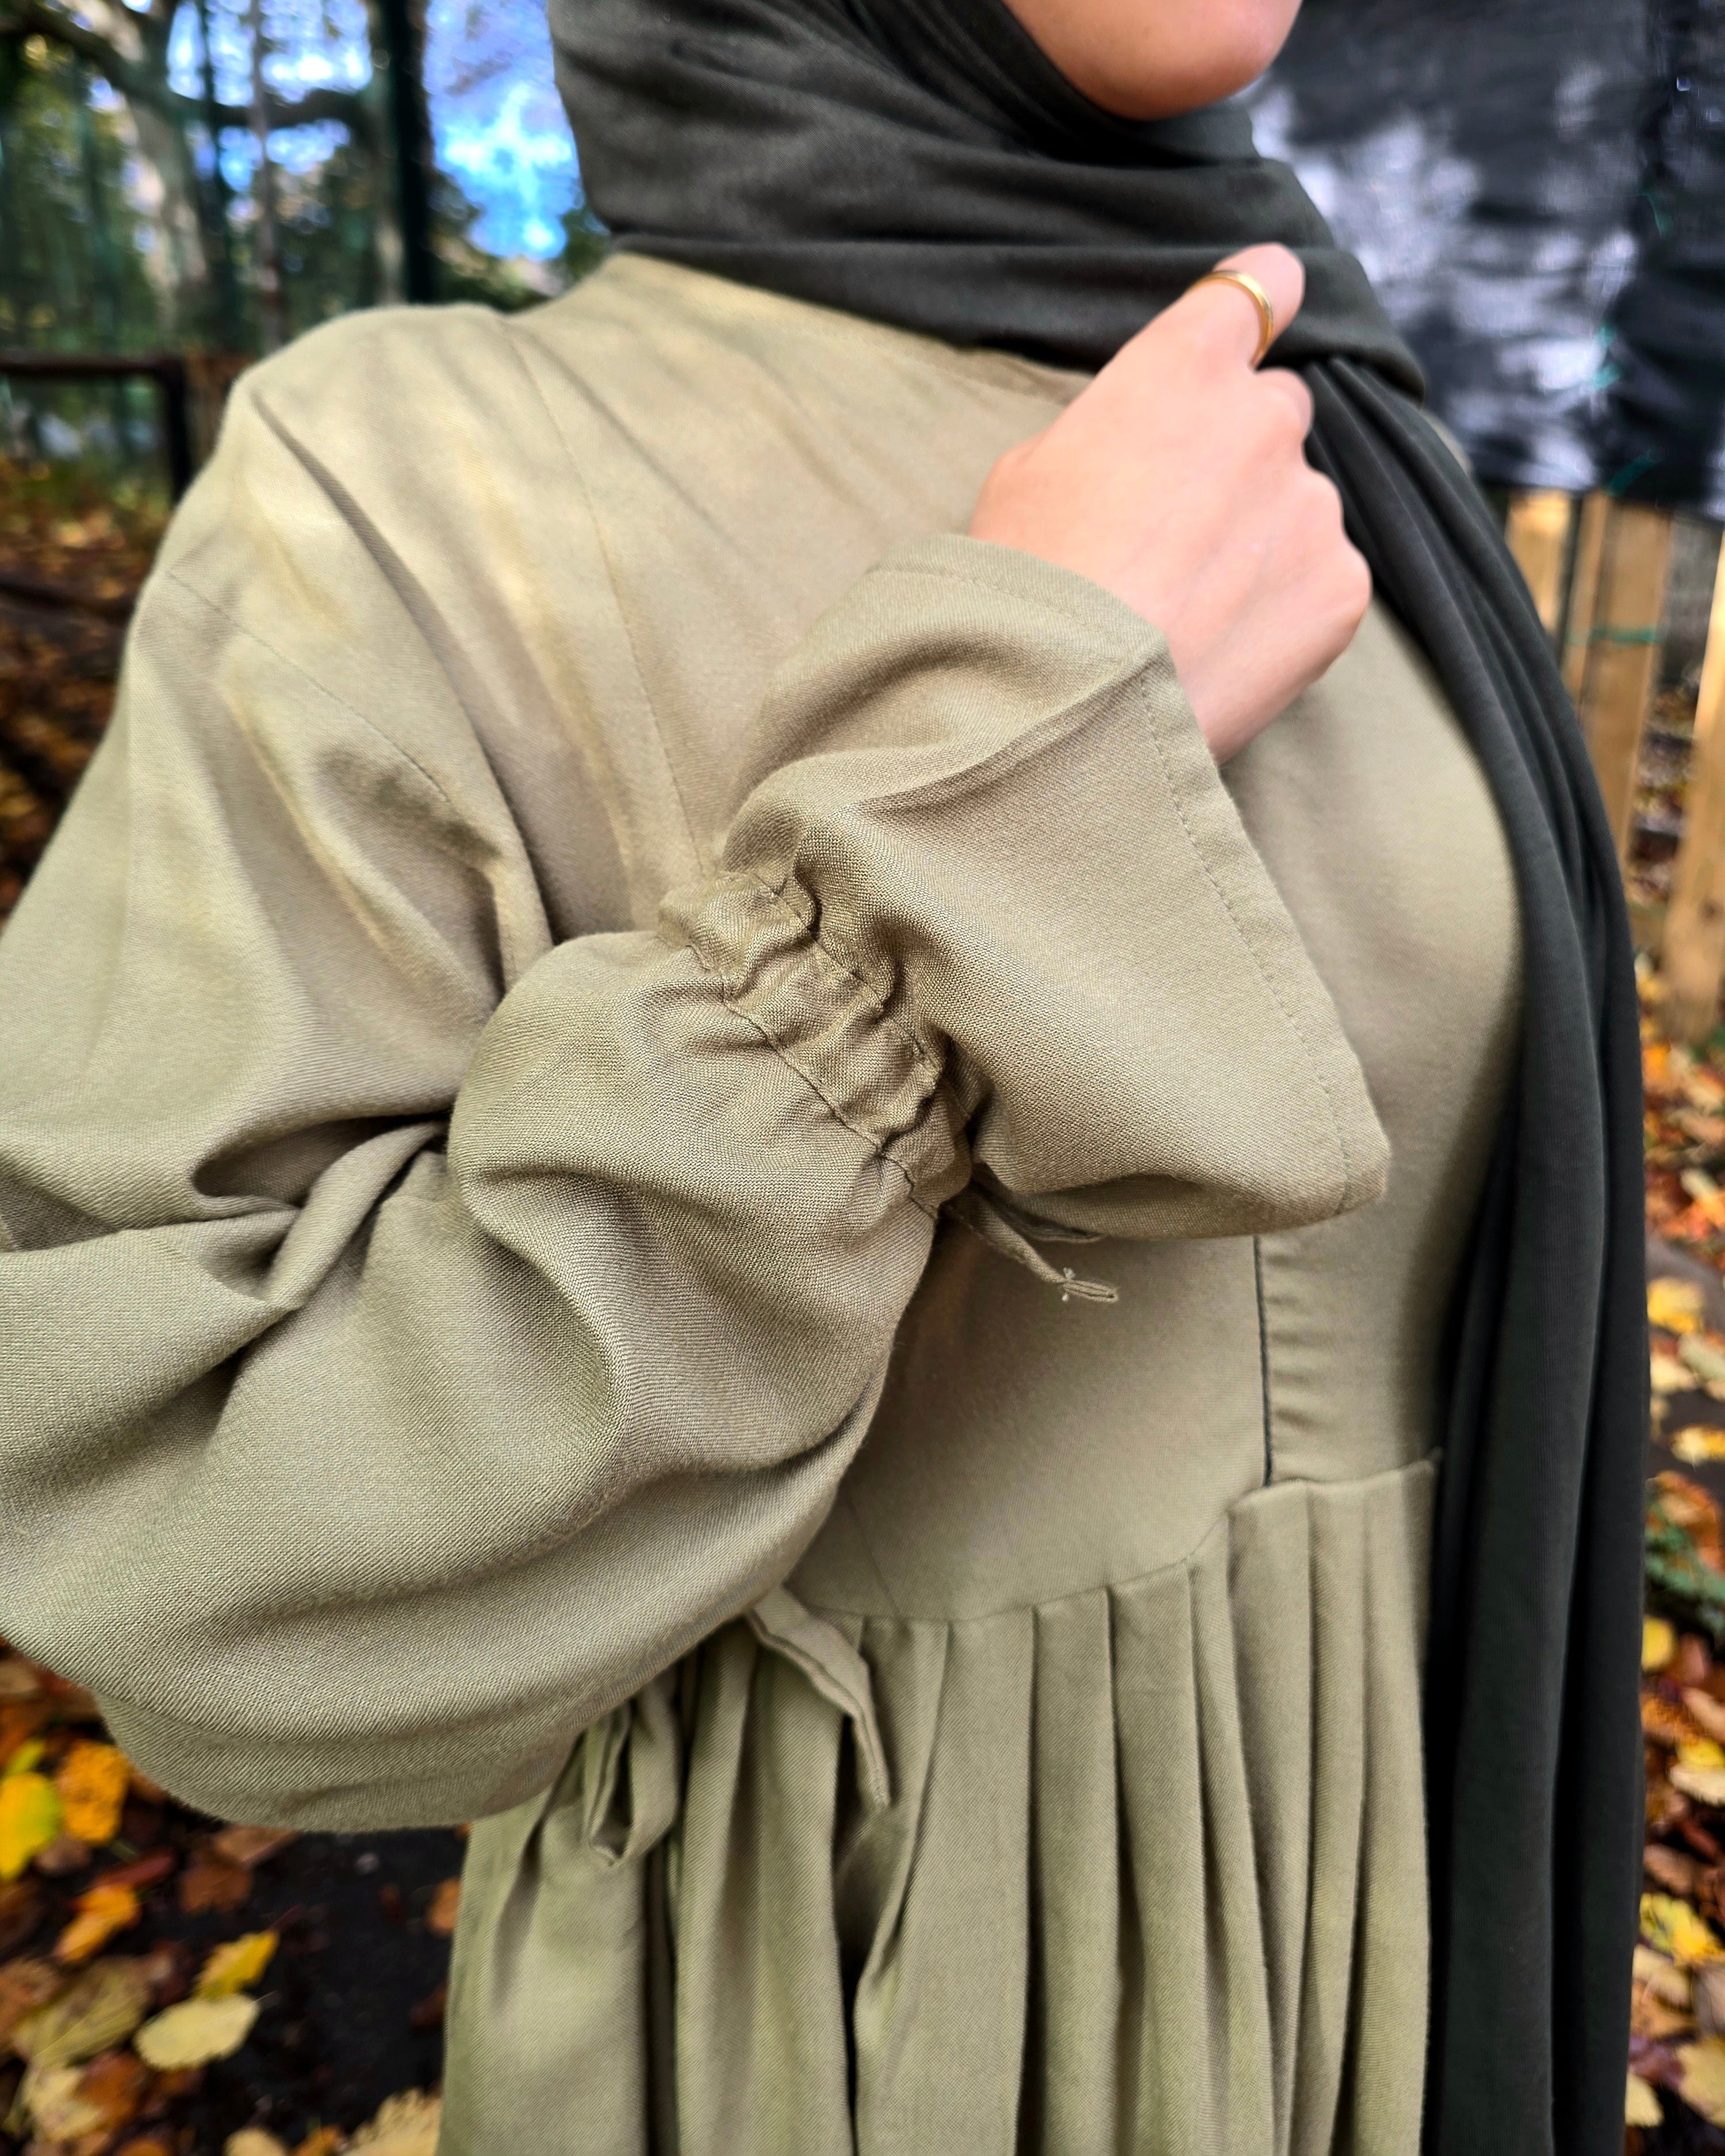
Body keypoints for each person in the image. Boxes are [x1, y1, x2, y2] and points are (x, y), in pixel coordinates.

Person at [0, 1, 1646, 2150]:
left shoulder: (1312, 406)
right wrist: (937, 878)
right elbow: (191, 1539)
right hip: (860, 2037)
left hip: (1418, 1920)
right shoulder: (408, 476)